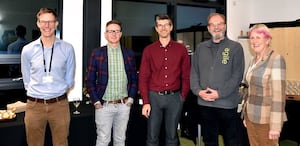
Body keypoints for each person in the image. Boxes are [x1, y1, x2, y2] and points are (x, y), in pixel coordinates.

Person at [21, 8, 76, 146]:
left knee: (61, 143)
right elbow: (26, 78)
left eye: (51, 22)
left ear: (56, 24)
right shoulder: (27, 50)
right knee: (34, 143)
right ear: (38, 24)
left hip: (59, 105)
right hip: (34, 106)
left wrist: (59, 92)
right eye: (44, 22)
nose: (47, 25)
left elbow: (69, 79)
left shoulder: (67, 48)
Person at [190, 13, 245, 146]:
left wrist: (219, 93)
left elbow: (237, 76)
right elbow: (194, 73)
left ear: (224, 26)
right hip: (205, 104)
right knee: (209, 141)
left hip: (227, 104)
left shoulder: (235, 47)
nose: (216, 27)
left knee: (231, 140)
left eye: (219, 24)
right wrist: (198, 92)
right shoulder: (200, 48)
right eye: (213, 25)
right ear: (208, 28)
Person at [139, 13, 191, 146]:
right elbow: (143, 77)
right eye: (160, 25)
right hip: (154, 98)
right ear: (156, 28)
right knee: (152, 137)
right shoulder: (148, 50)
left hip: (175, 98)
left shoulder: (181, 49)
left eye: (166, 25)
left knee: (172, 137)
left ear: (171, 27)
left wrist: (182, 97)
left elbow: (186, 75)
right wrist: (145, 101)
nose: (163, 28)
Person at [86, 20, 137, 146]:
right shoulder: (97, 53)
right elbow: (89, 79)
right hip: (104, 106)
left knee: (120, 140)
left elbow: (134, 79)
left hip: (123, 105)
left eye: (117, 31)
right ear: (105, 34)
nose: (114, 34)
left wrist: (130, 99)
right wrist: (96, 101)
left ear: (121, 34)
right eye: (111, 31)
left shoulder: (129, 53)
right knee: (103, 140)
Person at [242, 24, 287, 146]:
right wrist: (245, 115)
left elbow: (279, 97)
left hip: (267, 120)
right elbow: (250, 90)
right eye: (252, 38)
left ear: (267, 40)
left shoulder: (276, 59)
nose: (254, 41)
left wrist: (276, 126)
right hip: (251, 117)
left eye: (258, 37)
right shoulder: (253, 60)